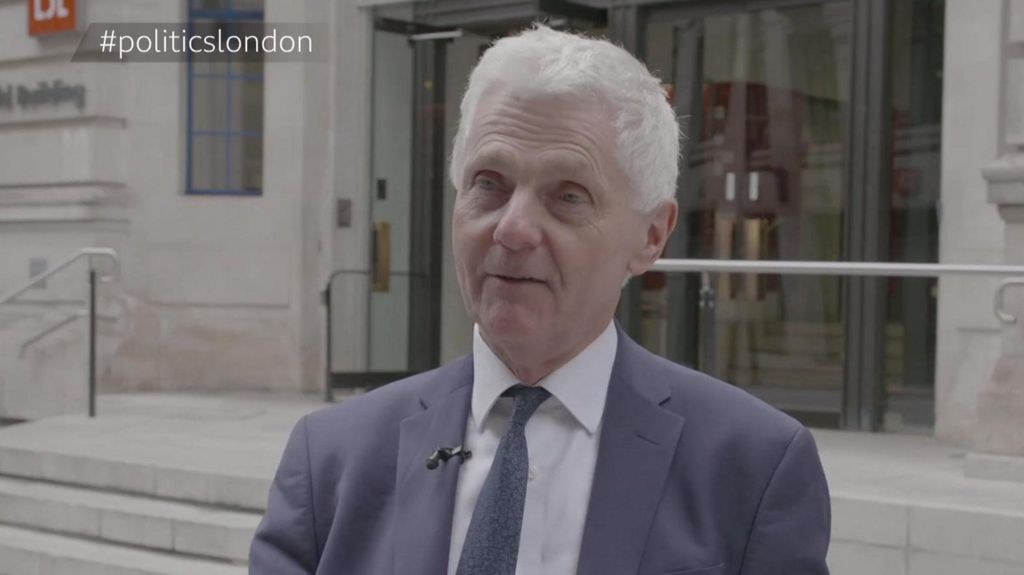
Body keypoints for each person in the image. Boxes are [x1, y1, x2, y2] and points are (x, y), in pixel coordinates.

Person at [250, 24, 831, 575]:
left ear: (651, 236)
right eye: (489, 184)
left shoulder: (752, 467)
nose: (512, 229)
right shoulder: (330, 459)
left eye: (568, 196)